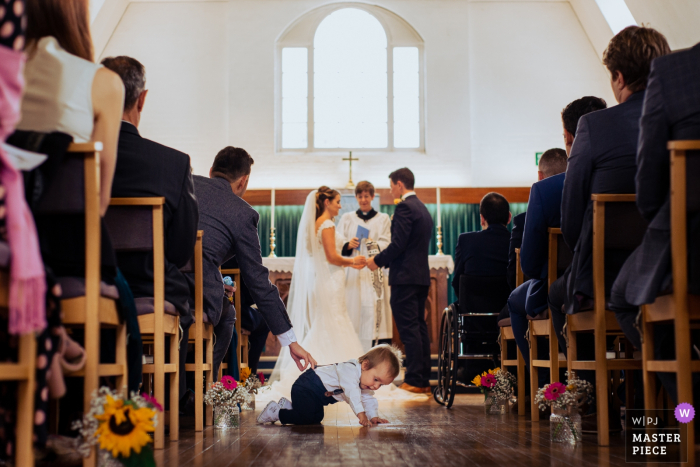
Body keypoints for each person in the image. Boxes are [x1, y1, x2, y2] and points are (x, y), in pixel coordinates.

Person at [548, 26, 671, 356]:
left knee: (555, 295)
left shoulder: (594, 125)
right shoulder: (681, 118)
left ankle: (589, 394)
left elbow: (571, 217)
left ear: (618, 77)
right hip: (675, 263)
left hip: (605, 275)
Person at [609, 42, 700, 403]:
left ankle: (690, 406)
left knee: (627, 297)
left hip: (692, 249)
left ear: (618, 78)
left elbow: (648, 193)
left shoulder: (676, 70)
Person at [185, 147, 316, 394]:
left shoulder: (185, 183)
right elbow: (258, 283)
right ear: (244, 181)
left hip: (156, 282)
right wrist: (290, 341)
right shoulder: (243, 213)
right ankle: (198, 393)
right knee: (226, 314)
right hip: (198, 294)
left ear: (211, 171)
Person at [102, 55, 199, 328]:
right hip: (151, 285)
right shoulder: (173, 163)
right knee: (184, 301)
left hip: (90, 280)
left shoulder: (76, 158)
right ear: (142, 99)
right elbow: (181, 250)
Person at [367, 168, 433, 394]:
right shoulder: (422, 208)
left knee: (409, 330)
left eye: (391, 185)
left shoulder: (404, 207)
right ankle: (423, 379)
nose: (390, 189)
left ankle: (414, 379)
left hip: (405, 277)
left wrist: (377, 260)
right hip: (420, 277)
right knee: (419, 327)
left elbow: (399, 244)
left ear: (399, 184)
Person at [506, 148, 570, 377]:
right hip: (599, 279)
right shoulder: (589, 182)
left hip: (553, 288)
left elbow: (530, 264)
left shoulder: (543, 190)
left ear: (540, 175)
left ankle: (544, 384)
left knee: (515, 301)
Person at [257, 344, 401, 426]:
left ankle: (288, 407)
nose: (376, 386)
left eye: (381, 385)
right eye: (376, 379)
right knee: (306, 418)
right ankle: (276, 412)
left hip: (315, 397)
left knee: (316, 418)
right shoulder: (350, 370)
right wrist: (361, 415)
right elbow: (352, 393)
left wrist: (373, 416)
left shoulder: (365, 384)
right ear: (365, 365)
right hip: (305, 387)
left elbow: (368, 400)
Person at [337, 181, 392, 351]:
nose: (363, 200)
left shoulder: (383, 219)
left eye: (366, 196)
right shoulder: (347, 218)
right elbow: (336, 242)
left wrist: (371, 244)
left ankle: (378, 351)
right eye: (360, 196)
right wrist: (348, 244)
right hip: (354, 272)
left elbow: (387, 243)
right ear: (356, 198)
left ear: (372, 197)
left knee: (377, 311)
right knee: (354, 310)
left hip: (374, 271)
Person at [452, 193, 512, 298]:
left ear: (482, 219)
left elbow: (457, 284)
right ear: (509, 217)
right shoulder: (517, 243)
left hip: (471, 312)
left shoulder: (465, 240)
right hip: (509, 311)